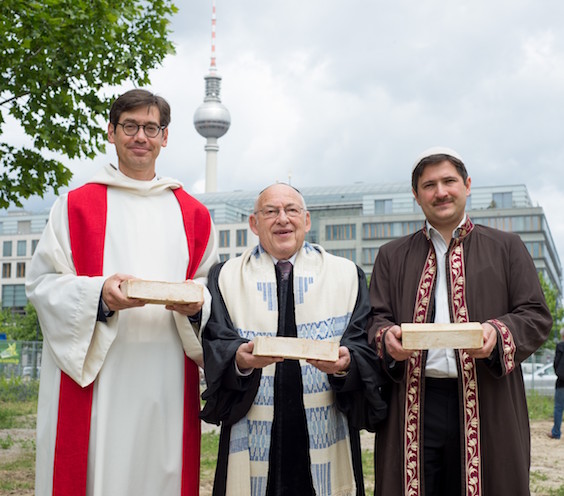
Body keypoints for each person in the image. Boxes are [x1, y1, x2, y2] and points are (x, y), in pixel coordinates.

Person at [26, 89, 218, 496]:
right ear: (111, 133)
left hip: (167, 370)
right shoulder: (75, 206)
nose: (140, 137)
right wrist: (99, 296)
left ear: (165, 137)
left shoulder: (194, 215)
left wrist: (197, 304)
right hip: (99, 373)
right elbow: (42, 285)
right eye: (129, 126)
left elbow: (211, 289)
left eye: (151, 127)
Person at [367, 146, 552, 496]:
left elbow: (535, 314)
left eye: (449, 181)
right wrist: (386, 337)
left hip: (488, 398)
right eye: (429, 185)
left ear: (467, 185)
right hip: (413, 400)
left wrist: (497, 333)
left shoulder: (507, 247)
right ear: (416, 195)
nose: (441, 192)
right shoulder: (391, 255)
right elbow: (376, 318)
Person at [200, 183, 387, 496]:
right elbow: (216, 340)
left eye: (291, 210)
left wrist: (345, 364)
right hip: (253, 422)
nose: (282, 219)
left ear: (307, 220)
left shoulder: (345, 276)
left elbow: (362, 344)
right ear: (253, 223)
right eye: (271, 212)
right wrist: (240, 361)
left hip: (324, 421)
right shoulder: (225, 277)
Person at [549, 328, 564, 439]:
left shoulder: (560, 346)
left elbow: (556, 363)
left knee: (558, 408)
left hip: (562, 383)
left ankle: (556, 432)